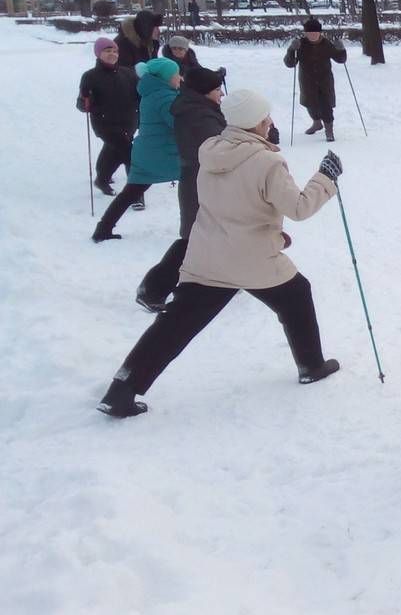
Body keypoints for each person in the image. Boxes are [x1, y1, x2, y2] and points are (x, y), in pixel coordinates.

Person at [96, 90, 344, 419]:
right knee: (296, 295)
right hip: (252, 259)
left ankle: (121, 390)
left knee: (175, 324)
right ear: (255, 123)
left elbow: (231, 205)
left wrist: (271, 232)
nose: (270, 121)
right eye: (265, 117)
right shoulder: (267, 161)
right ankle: (311, 366)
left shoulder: (211, 151)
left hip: (209, 256)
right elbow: (298, 207)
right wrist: (325, 177)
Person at [135, 66, 227, 312]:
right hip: (202, 181)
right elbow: (220, 150)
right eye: (217, 89)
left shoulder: (197, 108)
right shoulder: (199, 115)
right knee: (194, 238)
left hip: (201, 179)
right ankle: (152, 289)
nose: (221, 94)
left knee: (210, 233)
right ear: (204, 92)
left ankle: (224, 279)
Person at [91, 57, 183, 242]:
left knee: (129, 193)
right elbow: (178, 123)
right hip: (163, 155)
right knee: (198, 181)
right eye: (176, 74)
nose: (180, 78)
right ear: (165, 78)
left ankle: (103, 228)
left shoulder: (152, 92)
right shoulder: (165, 97)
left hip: (147, 153)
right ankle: (199, 228)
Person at [77, 37, 139, 196]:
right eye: (107, 51)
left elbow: (139, 95)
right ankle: (136, 194)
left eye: (115, 51)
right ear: (98, 54)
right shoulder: (90, 76)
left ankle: (102, 179)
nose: (112, 54)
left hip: (129, 122)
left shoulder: (128, 73)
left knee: (114, 152)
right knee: (131, 156)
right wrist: (85, 99)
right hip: (106, 124)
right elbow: (82, 105)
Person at [284, 17, 347, 142]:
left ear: (320, 33)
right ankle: (317, 123)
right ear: (305, 33)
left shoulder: (326, 44)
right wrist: (291, 50)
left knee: (326, 106)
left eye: (315, 33)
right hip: (307, 81)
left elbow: (341, 60)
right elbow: (290, 64)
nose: (312, 35)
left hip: (325, 81)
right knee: (310, 104)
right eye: (309, 33)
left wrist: (341, 49)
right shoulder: (300, 45)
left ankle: (329, 130)